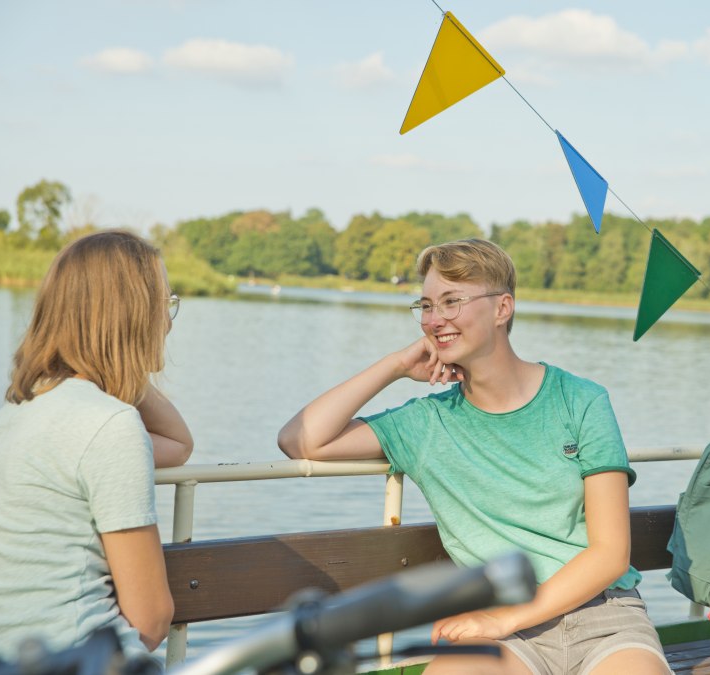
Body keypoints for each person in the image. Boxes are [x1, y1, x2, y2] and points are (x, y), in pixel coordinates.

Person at [278, 239, 670, 675]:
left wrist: (504, 618)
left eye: (451, 302)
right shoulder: (426, 423)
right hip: (503, 633)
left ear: (502, 309)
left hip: (604, 618)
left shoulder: (580, 400)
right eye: (425, 306)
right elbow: (300, 439)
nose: (434, 320)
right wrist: (393, 366)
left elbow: (611, 553)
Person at [0, 230, 193, 668]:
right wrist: (116, 354)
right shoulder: (110, 425)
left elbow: (177, 446)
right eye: (162, 305)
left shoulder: (14, 415)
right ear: (130, 316)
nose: (167, 322)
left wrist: (106, 355)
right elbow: (152, 617)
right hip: (79, 660)